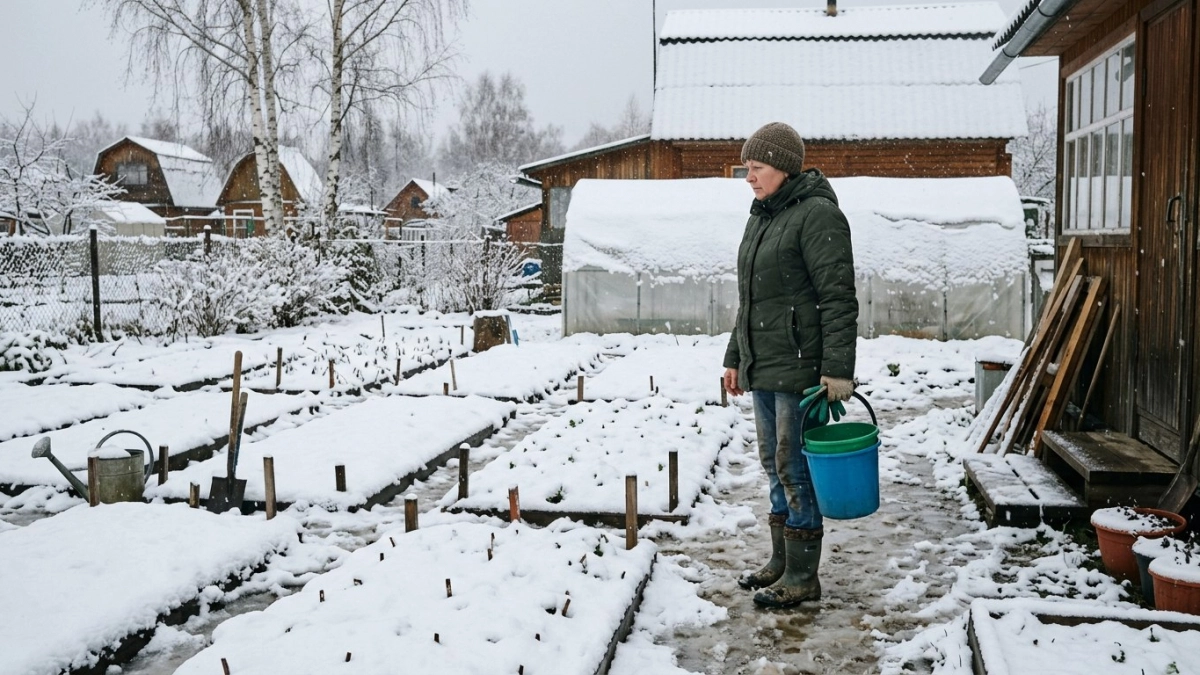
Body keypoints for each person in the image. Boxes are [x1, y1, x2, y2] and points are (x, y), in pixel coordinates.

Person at [722, 122, 858, 609]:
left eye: (756, 168)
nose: (749, 177)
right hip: (765, 363)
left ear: (781, 166)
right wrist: (735, 358)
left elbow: (838, 298)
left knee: (794, 467)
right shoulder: (762, 215)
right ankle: (781, 561)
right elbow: (751, 298)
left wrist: (838, 369)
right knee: (772, 464)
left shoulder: (818, 215)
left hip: (801, 367)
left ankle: (803, 575)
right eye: (748, 168)